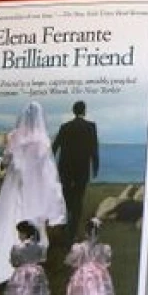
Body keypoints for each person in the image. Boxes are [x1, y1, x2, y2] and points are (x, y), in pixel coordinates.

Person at [0, 100, 68, 285]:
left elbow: (6, 161)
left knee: (8, 214)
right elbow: (47, 169)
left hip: (15, 182)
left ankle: (9, 253)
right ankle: (34, 254)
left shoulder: (14, 136)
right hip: (34, 184)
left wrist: (0, 163)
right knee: (33, 215)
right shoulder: (42, 139)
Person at [52, 100, 100, 243]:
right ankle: (72, 232)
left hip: (65, 168)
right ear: (84, 111)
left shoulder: (65, 127)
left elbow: (55, 147)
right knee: (78, 199)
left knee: (66, 198)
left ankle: (64, 228)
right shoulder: (91, 127)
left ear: (73, 111)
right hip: (82, 168)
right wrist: (95, 167)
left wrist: (49, 166)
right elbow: (94, 148)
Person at [2, 219, 51, 295]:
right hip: (36, 274)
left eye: (20, 233)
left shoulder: (17, 248)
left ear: (24, 233)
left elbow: (15, 263)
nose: (19, 235)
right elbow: (43, 258)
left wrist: (20, 263)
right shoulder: (38, 246)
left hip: (22, 275)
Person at [64, 216, 116, 295]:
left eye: (95, 235)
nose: (93, 238)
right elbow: (72, 259)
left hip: (97, 276)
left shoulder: (102, 247)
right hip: (85, 276)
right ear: (86, 234)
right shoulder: (81, 247)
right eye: (91, 234)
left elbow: (105, 260)